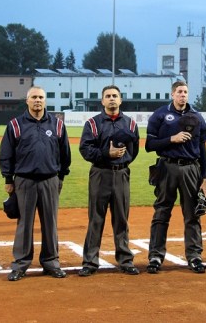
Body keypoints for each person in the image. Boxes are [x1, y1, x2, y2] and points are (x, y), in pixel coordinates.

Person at [0, 86, 71, 281]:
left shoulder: (57, 125)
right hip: (24, 180)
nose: (37, 100)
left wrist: (61, 177)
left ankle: (51, 262)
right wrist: (8, 178)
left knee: (50, 223)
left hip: (50, 180)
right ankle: (20, 265)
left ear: (45, 101)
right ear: (27, 101)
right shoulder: (15, 125)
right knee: (24, 224)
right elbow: (6, 154)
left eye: (40, 97)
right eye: (34, 97)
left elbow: (65, 154)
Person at [145, 80, 206, 274]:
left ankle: (194, 256)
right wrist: (171, 140)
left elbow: (202, 149)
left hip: (191, 168)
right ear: (173, 94)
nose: (183, 95)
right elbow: (149, 145)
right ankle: (156, 256)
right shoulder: (159, 115)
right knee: (161, 212)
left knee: (192, 213)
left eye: (185, 92)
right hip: (166, 167)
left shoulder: (197, 117)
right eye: (179, 92)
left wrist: (205, 177)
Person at [78, 85, 140, 276]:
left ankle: (125, 259)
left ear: (120, 100)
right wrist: (107, 154)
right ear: (102, 101)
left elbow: (134, 149)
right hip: (100, 173)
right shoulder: (93, 124)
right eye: (108, 96)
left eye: (115, 96)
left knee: (121, 218)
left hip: (121, 174)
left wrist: (122, 160)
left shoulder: (130, 124)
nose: (112, 99)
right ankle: (90, 261)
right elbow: (85, 149)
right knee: (96, 218)